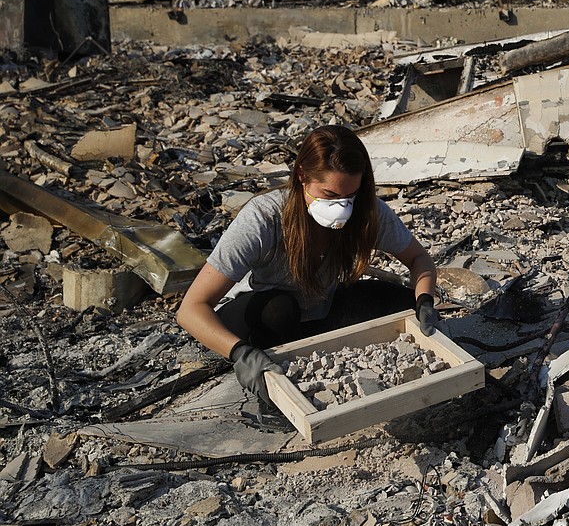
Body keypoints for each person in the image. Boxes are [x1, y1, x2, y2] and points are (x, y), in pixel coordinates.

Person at [177, 124, 440, 403]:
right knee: (279, 309)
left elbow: (419, 259)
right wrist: (240, 352)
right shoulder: (263, 219)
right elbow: (191, 309)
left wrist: (425, 300)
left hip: (318, 308)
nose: (342, 208)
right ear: (302, 176)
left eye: (349, 196)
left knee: (402, 303)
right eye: (330, 195)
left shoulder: (366, 211)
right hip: (256, 317)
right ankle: (271, 392)